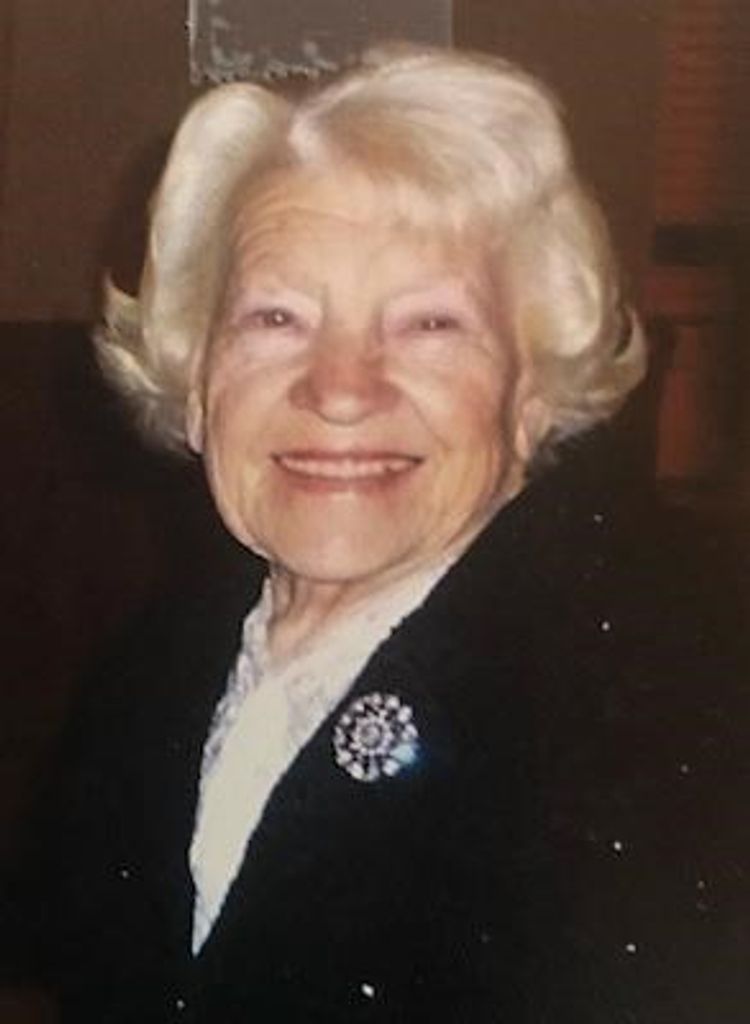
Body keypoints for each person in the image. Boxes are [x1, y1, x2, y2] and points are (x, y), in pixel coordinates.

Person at [4, 43, 749, 1023]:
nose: (341, 389)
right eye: (276, 317)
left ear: (531, 395)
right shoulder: (154, 670)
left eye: (428, 325)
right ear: (195, 384)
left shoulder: (651, 714)